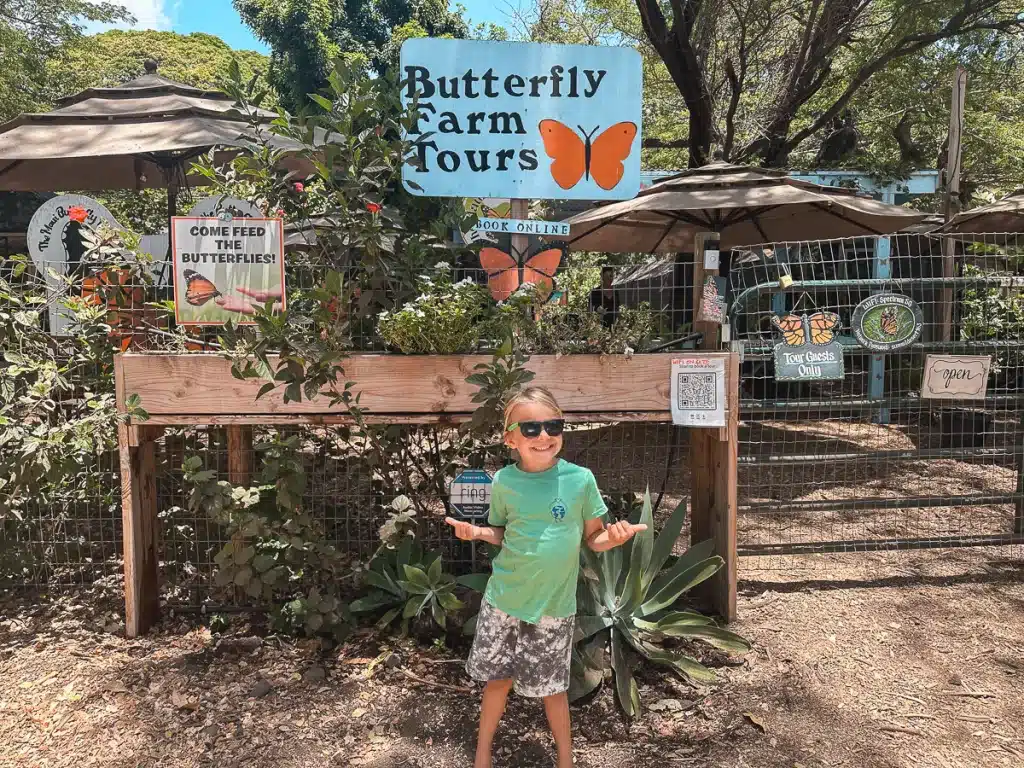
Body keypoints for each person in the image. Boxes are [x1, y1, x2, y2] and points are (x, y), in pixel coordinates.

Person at [445, 387, 646, 768]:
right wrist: (479, 533)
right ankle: (482, 754)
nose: (543, 436)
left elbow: (594, 537)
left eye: (552, 425)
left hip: (554, 607)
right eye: (531, 428)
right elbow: (503, 532)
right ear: (511, 438)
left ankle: (565, 760)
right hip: (504, 599)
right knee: (497, 682)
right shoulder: (504, 481)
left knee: (553, 690)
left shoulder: (580, 480)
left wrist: (614, 537)